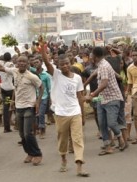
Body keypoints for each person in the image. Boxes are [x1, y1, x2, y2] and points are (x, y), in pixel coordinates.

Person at [40, 37, 89, 177]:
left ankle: (79, 165)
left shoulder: (77, 78)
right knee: (62, 139)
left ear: (70, 62)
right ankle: (63, 158)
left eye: (67, 63)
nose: (65, 66)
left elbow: (80, 97)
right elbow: (46, 61)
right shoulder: (55, 74)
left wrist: (83, 114)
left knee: (78, 139)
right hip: (61, 113)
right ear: (59, 65)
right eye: (62, 64)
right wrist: (43, 47)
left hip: (75, 112)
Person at [0, 54, 44, 166]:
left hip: (29, 106)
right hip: (19, 107)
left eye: (24, 61)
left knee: (28, 133)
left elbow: (41, 87)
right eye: (20, 61)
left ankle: (37, 154)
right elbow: (0, 68)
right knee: (22, 134)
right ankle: (29, 153)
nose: (22, 63)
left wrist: (37, 102)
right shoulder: (14, 71)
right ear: (17, 63)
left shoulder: (32, 76)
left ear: (28, 63)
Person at [86, 47, 126, 155]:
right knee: (102, 123)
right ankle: (107, 146)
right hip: (102, 98)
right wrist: (82, 86)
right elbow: (93, 75)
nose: (90, 58)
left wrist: (93, 95)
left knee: (112, 123)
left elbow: (104, 84)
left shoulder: (104, 66)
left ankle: (120, 137)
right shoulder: (101, 65)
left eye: (91, 56)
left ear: (95, 56)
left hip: (112, 98)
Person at [0, 52, 15, 133]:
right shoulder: (10, 64)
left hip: (3, 88)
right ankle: (13, 125)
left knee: (6, 107)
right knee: (12, 106)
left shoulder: (1, 64)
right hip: (10, 89)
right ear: (10, 58)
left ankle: (6, 127)